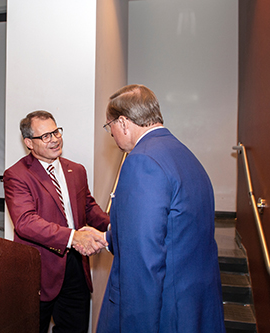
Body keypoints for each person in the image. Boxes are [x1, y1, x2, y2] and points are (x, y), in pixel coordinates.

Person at [95, 84, 225, 332]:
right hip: (194, 305)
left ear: (123, 122)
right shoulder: (184, 154)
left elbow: (144, 262)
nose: (110, 134)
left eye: (109, 125)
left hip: (164, 312)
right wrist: (107, 237)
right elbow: (173, 230)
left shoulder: (142, 162)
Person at [3, 110, 109, 333]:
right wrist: (73, 237)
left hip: (76, 269)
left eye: (56, 132)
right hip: (39, 271)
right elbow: (25, 222)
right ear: (29, 143)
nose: (55, 139)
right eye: (46, 136)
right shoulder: (17, 175)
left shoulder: (76, 170)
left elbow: (88, 208)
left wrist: (112, 227)